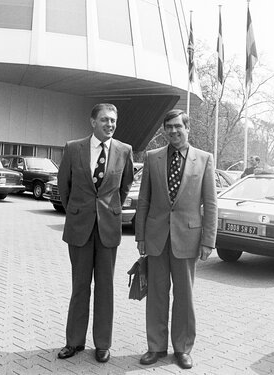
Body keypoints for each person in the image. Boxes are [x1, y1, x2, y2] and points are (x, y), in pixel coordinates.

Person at [135, 109, 218, 370]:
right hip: (157, 237)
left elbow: (210, 203)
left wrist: (208, 240)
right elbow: (145, 199)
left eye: (177, 127)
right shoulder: (152, 158)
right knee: (157, 295)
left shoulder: (204, 159)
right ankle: (156, 347)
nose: (173, 131)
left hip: (188, 239)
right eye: (168, 127)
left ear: (187, 128)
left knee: (184, 296)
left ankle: (182, 348)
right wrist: (140, 236)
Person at [57, 103, 134, 363]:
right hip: (79, 229)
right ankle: (74, 342)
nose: (109, 124)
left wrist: (108, 211)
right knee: (80, 287)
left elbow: (124, 188)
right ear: (92, 122)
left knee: (105, 288)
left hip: (107, 230)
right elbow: (63, 187)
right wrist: (78, 212)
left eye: (113, 120)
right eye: (104, 120)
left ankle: (102, 344)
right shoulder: (72, 148)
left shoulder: (125, 151)